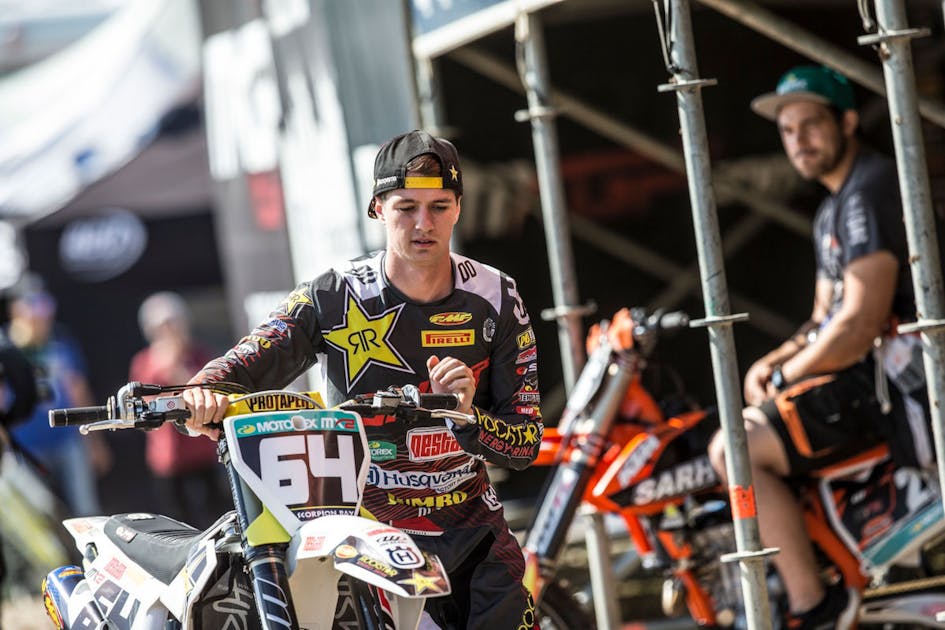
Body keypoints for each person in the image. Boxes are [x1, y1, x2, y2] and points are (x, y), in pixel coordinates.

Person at [181, 130, 544, 628]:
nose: (424, 224)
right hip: (365, 538)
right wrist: (201, 393)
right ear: (377, 209)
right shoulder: (334, 293)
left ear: (459, 208)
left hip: (473, 536)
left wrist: (465, 417)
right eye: (406, 207)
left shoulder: (498, 295)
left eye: (439, 206)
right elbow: (241, 364)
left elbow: (524, 443)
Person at [707, 66, 930, 629]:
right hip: (871, 380)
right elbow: (820, 319)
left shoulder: (870, 188)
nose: (798, 140)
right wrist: (775, 361)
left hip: (907, 385)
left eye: (811, 124)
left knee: (734, 449)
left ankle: (817, 607)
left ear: (848, 122)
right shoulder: (834, 205)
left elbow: (857, 324)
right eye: (788, 130)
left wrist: (787, 378)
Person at [5, 282, 110, 516]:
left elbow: (78, 390)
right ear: (17, 314)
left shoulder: (61, 343)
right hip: (27, 446)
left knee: (86, 510)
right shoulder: (6, 349)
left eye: (45, 317)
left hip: (67, 440)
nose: (41, 323)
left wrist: (95, 441)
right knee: (40, 515)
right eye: (34, 317)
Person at [129, 291, 228, 528]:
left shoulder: (200, 355)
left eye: (174, 324)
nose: (170, 332)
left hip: (203, 453)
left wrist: (177, 367)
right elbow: (143, 410)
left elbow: (207, 393)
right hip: (168, 460)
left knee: (217, 514)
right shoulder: (144, 362)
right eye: (163, 326)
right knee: (178, 522)